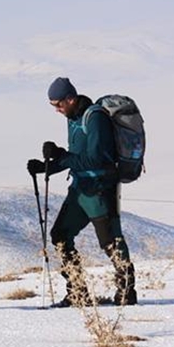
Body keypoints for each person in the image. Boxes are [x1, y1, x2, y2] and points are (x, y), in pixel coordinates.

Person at [27, 77, 137, 307]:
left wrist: (61, 156)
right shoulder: (74, 118)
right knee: (60, 235)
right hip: (80, 189)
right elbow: (76, 157)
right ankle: (77, 292)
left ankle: (127, 291)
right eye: (53, 105)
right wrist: (46, 167)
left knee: (110, 241)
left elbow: (96, 159)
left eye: (58, 104)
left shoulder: (95, 118)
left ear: (70, 98)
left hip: (100, 189)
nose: (57, 110)